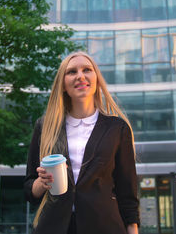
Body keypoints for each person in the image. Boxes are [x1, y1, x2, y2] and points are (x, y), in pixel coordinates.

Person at [24, 52, 140, 234]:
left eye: (87, 69)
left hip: (105, 226)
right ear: (63, 85)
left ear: (96, 79)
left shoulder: (117, 128)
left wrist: (133, 230)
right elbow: (29, 189)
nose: (80, 75)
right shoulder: (45, 126)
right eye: (71, 72)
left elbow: (128, 194)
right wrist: (41, 183)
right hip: (54, 227)